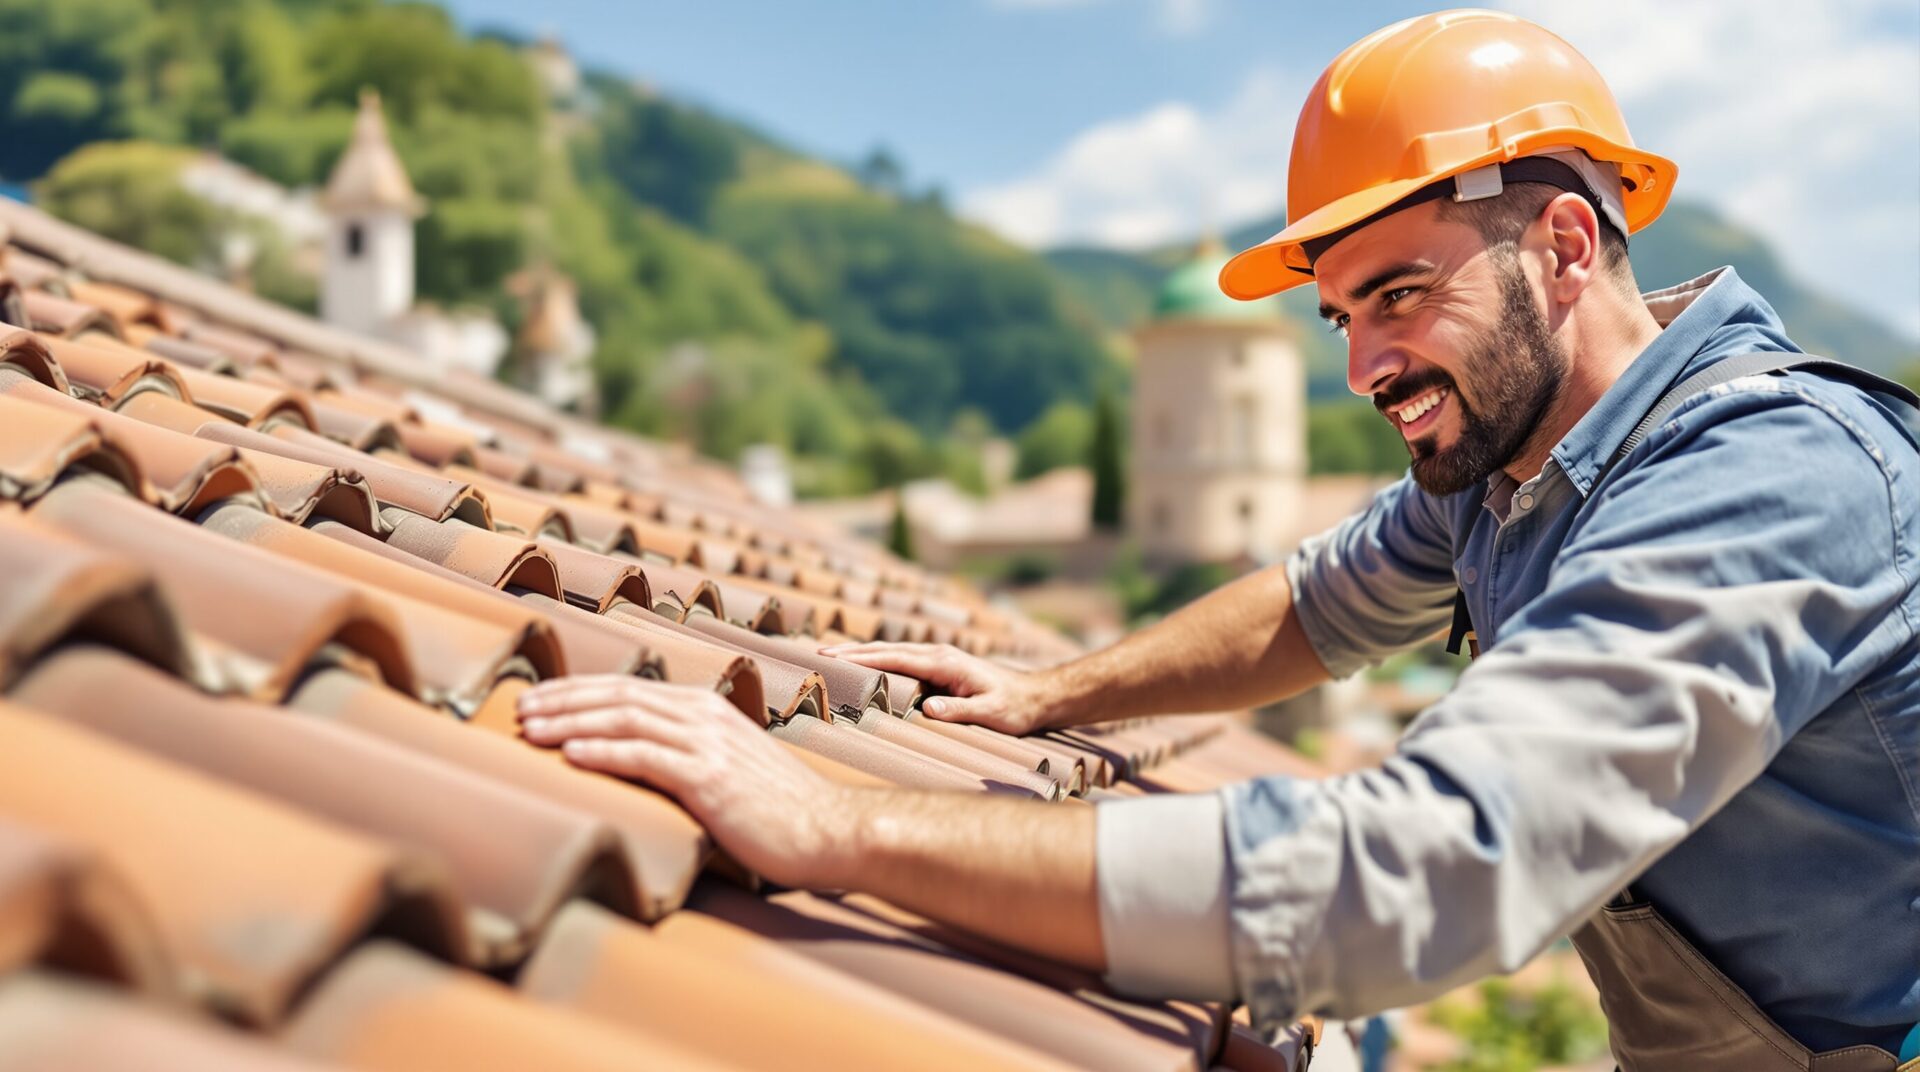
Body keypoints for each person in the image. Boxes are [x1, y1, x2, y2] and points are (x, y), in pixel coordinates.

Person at [515, 11, 1920, 1070]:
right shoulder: (1517, 456)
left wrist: (841, 827)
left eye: (1401, 294)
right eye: (1342, 318)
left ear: (1562, 244)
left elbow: (1428, 873)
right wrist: (1050, 694)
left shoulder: (1770, 477)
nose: (1364, 368)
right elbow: (1319, 606)